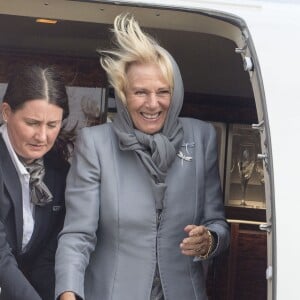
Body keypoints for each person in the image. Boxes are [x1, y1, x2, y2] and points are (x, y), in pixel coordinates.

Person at [55, 14, 230, 300]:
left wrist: (209, 240)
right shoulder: (96, 144)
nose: (152, 103)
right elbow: (78, 234)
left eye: (163, 92)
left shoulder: (202, 137)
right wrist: (68, 292)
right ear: (123, 95)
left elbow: (218, 224)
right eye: (140, 92)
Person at [0, 64, 74, 300]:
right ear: (6, 112)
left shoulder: (59, 171)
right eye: (32, 123)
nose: (42, 137)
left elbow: (46, 256)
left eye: (52, 125)